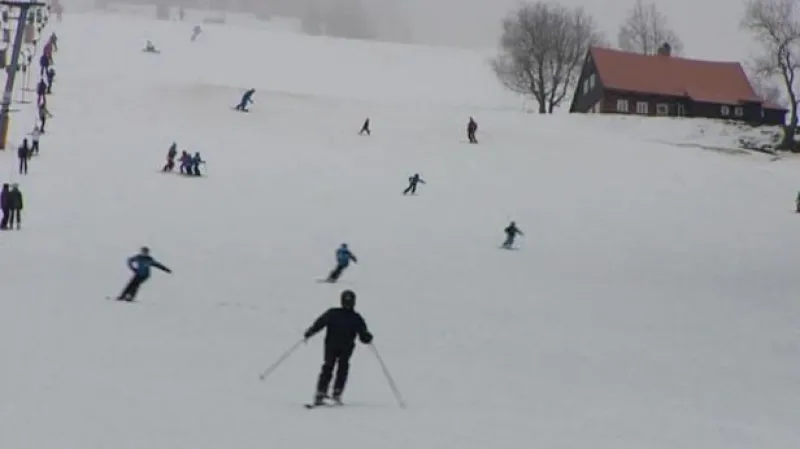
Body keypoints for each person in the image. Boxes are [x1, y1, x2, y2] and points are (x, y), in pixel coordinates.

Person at [304, 289, 373, 405]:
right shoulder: (354, 317)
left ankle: (324, 392)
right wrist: (367, 337)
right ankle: (333, 392)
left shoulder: (335, 313)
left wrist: (310, 332)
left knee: (331, 367)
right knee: (338, 367)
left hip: (335, 346)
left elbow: (320, 323)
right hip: (341, 346)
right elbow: (363, 334)